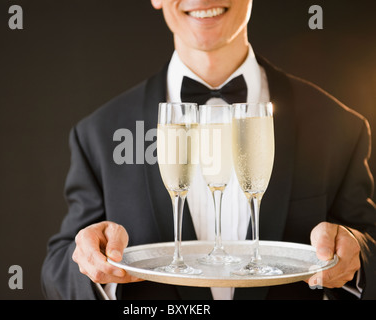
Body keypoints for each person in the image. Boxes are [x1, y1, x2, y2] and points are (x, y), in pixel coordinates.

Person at [41, 0, 376, 300]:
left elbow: (369, 247)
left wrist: (356, 255)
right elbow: (56, 270)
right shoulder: (99, 133)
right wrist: (94, 267)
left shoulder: (339, 126)